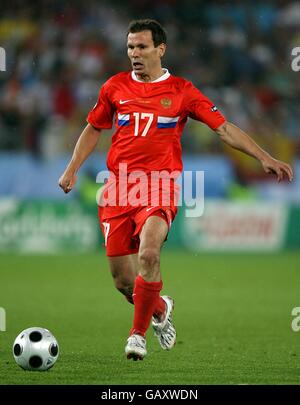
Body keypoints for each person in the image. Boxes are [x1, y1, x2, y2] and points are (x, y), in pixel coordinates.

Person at [58, 19, 294, 361]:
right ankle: (159, 307)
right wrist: (71, 169)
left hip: (159, 187)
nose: (134, 53)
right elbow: (93, 128)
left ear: (160, 49)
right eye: (130, 47)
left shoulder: (182, 91)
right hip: (118, 190)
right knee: (125, 284)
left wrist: (263, 156)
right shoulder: (114, 87)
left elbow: (224, 129)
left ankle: (136, 336)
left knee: (149, 255)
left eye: (141, 47)